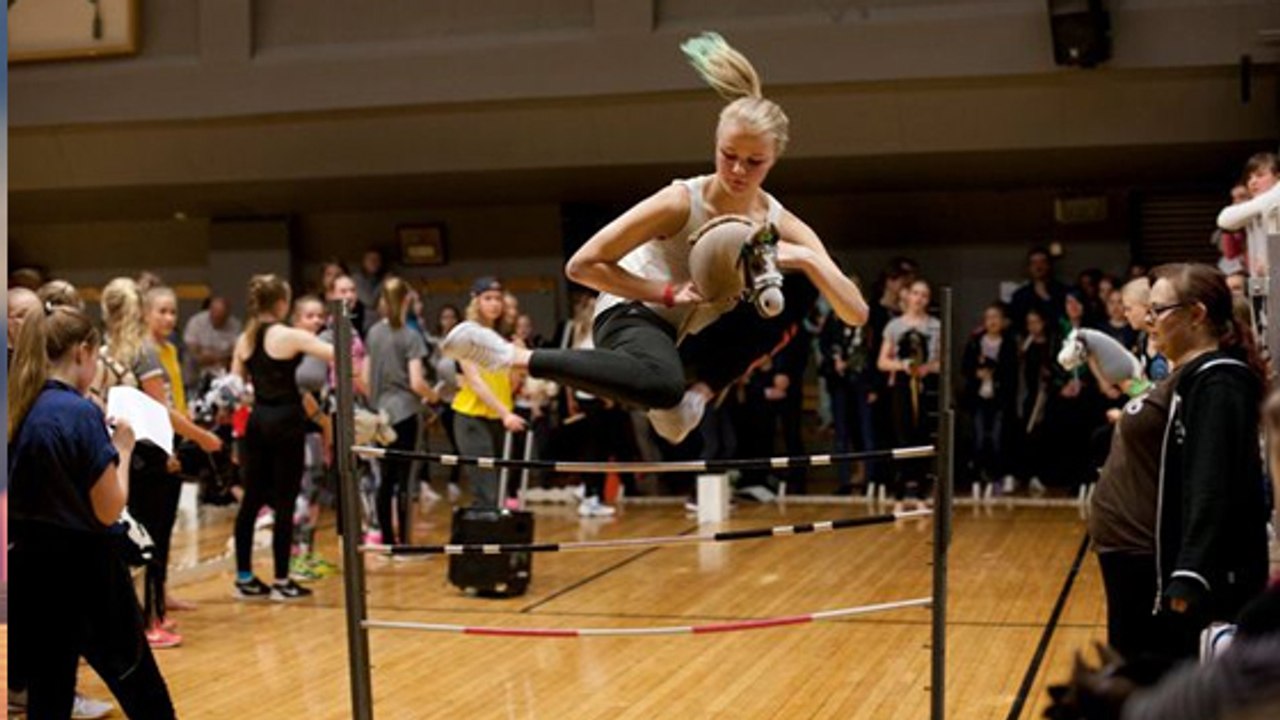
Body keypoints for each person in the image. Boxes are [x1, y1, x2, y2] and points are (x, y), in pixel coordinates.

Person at [441, 32, 868, 446]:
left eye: (754, 162)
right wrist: (663, 291)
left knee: (793, 283)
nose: (738, 170)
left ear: (774, 159)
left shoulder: (778, 219)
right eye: (728, 156)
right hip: (633, 309)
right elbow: (582, 265)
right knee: (662, 386)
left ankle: (698, 395)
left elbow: (856, 313)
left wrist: (810, 261)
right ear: (715, 144)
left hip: (692, 330)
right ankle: (510, 355)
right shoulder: (681, 200)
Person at [8, 303, 177, 718]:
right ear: (84, 352)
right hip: (85, 569)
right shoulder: (78, 412)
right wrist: (122, 447)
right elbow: (107, 509)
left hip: (31, 568)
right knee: (143, 690)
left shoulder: (20, 405)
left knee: (49, 694)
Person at [1147, 263, 1270, 661]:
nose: (1151, 322)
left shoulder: (1219, 383)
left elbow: (1211, 482)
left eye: (1159, 310)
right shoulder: (1195, 378)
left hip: (1216, 583)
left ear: (1196, 314)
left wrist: (1190, 572)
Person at [231, 275, 334, 601]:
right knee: (286, 501)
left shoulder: (244, 339)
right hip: (287, 421)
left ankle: (245, 577)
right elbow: (335, 353)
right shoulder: (287, 334)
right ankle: (281, 580)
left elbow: (235, 387)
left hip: (257, 421)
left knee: (251, 501)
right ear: (282, 303)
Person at [362, 276, 438, 544]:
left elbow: (365, 378)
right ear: (407, 300)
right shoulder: (411, 336)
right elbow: (417, 382)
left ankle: (386, 539)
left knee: (385, 480)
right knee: (406, 481)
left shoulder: (373, 333)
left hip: (381, 414)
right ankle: (404, 543)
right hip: (406, 413)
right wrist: (434, 395)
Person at [451, 278, 526, 507]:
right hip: (471, 417)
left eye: (498, 299)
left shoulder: (505, 339)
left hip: (499, 417)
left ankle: (493, 539)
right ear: (476, 302)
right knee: (486, 490)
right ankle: (478, 539)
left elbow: (510, 385)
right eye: (488, 299)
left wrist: (518, 365)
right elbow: (475, 382)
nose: (494, 304)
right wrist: (506, 414)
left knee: (501, 488)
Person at [877, 278, 941, 512]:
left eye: (924, 295)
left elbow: (941, 361)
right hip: (902, 385)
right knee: (902, 439)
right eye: (915, 293)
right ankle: (900, 493)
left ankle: (922, 492)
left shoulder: (935, 326)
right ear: (908, 296)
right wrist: (903, 365)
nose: (919, 298)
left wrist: (926, 368)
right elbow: (882, 362)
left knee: (923, 439)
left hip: (926, 387)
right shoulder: (895, 326)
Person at [961, 302, 1018, 499]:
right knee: (978, 437)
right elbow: (965, 367)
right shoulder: (975, 341)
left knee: (997, 438)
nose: (992, 321)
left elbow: (1011, 372)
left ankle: (998, 476)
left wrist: (993, 370)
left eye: (996, 317)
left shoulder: (1009, 343)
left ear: (1003, 321)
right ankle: (978, 477)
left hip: (999, 398)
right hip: (978, 397)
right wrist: (977, 372)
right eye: (988, 317)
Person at [182, 296, 242, 385]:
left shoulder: (235, 325)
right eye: (214, 317)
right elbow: (192, 350)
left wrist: (215, 358)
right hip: (195, 375)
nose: (217, 321)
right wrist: (217, 357)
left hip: (222, 376)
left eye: (221, 318)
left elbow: (236, 351)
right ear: (210, 311)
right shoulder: (196, 322)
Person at [1009, 246, 1067, 337]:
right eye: (1034, 263)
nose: (1038, 266)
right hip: (1029, 344)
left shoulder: (1063, 291)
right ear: (1029, 267)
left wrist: (1046, 298)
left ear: (1049, 265)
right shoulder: (1020, 295)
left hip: (1057, 341)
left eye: (1042, 262)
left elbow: (1064, 320)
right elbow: (1015, 323)